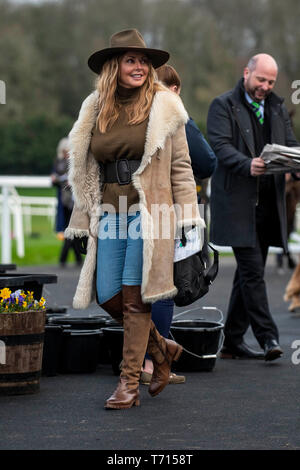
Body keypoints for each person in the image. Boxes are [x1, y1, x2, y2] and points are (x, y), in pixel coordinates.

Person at [64, 29, 204, 409]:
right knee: (107, 294)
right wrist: (80, 218)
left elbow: (181, 167)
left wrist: (189, 215)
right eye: (131, 60)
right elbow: (85, 169)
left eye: (144, 61)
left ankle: (128, 384)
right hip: (109, 210)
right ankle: (161, 350)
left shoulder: (164, 105)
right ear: (114, 67)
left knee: (133, 298)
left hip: (150, 210)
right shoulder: (95, 106)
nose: (140, 66)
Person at [207, 53, 299, 361]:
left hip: (269, 203)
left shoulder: (276, 107)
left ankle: (232, 340)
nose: (265, 86)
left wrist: (296, 165)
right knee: (252, 271)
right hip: (237, 203)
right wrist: (248, 165)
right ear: (246, 72)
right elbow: (219, 146)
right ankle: (268, 336)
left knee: (249, 273)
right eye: (261, 79)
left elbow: (290, 143)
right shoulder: (222, 105)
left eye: (271, 81)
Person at [140, 64, 217, 385]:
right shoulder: (178, 119)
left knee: (137, 288)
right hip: (165, 211)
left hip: (129, 209)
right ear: (175, 90)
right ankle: (155, 360)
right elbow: (207, 161)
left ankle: (140, 359)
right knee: (164, 288)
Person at [51, 137, 82, 267]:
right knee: (68, 229)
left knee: (70, 228)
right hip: (63, 199)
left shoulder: (74, 162)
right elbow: (54, 178)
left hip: (73, 199)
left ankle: (63, 258)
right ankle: (77, 257)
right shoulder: (58, 162)